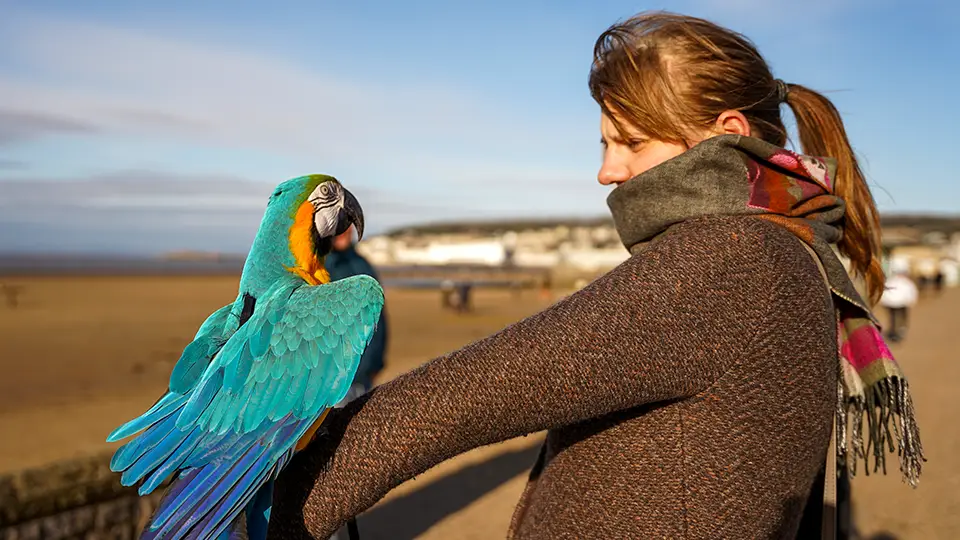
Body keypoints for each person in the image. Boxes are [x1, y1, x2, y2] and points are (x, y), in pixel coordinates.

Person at [268, 12, 923, 539]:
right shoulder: (794, 248)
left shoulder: (732, 259)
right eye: (604, 144)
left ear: (726, 132)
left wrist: (255, 497)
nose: (607, 172)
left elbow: (470, 395)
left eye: (630, 143)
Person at [326, 226, 388, 404]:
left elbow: (380, 318)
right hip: (332, 378)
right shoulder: (319, 266)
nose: (345, 232)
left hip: (363, 375)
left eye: (348, 227)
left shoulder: (362, 264)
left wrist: (377, 362)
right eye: (339, 227)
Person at [879, 268, 919, 342]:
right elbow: (912, 291)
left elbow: (884, 291)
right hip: (899, 303)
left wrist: (883, 301)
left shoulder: (891, 281)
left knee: (894, 318)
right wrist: (912, 301)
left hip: (894, 303)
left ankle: (896, 331)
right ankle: (898, 331)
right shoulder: (905, 282)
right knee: (898, 318)